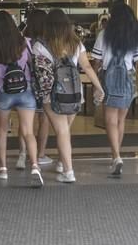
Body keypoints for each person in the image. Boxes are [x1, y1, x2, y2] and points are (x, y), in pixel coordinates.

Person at [34, 9, 104, 183]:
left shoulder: (40, 45)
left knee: (61, 131)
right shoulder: (76, 43)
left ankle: (68, 171)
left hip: (53, 94)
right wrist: (99, 87)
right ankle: (61, 163)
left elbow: (42, 74)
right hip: (74, 93)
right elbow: (87, 67)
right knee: (64, 130)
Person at [92, 4, 138, 175]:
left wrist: (95, 83)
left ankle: (116, 156)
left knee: (110, 121)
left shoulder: (103, 34)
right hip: (128, 79)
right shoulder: (135, 36)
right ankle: (116, 155)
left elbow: (97, 61)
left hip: (109, 79)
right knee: (121, 121)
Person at [0, 11, 42, 186]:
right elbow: (33, 67)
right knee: (28, 132)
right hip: (25, 91)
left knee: (2, 130)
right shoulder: (24, 43)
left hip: (4, 92)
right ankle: (34, 165)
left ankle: (3, 168)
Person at [21, 10, 52, 167]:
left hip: (26, 84)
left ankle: (25, 153)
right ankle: (40, 153)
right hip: (43, 85)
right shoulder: (48, 41)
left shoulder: (23, 39)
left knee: (27, 121)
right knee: (44, 119)